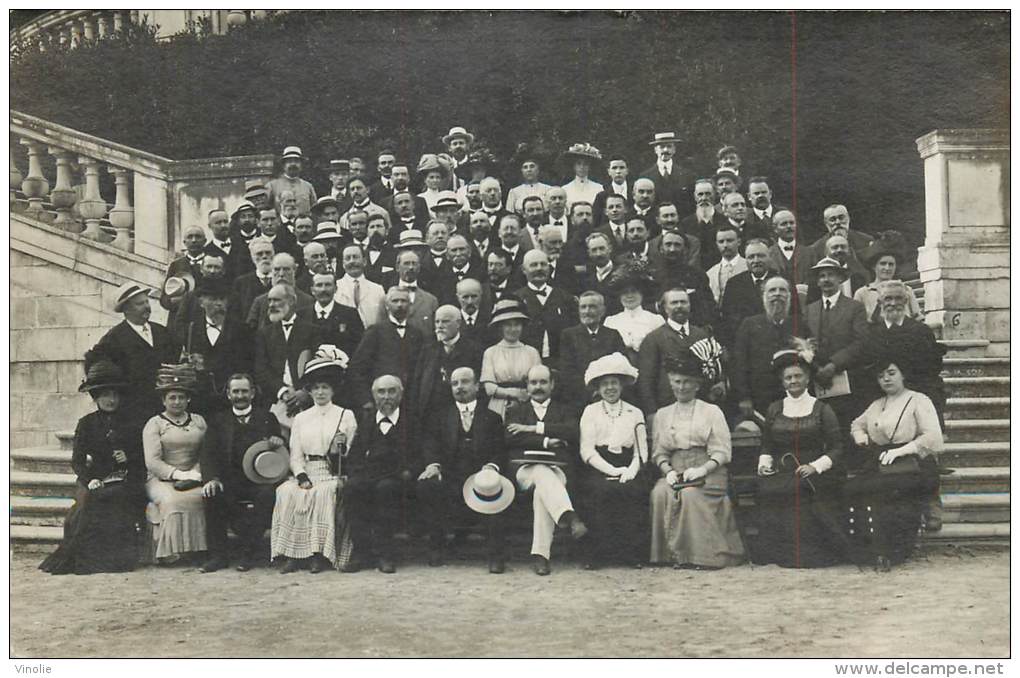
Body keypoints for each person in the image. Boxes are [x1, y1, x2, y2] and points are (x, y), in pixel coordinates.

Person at [40, 361, 147, 575]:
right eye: (105, 395)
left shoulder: (132, 423)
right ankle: (83, 557)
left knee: (115, 497)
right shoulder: (86, 423)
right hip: (94, 475)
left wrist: (128, 457)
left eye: (115, 395)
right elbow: (77, 460)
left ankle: (114, 559)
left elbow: (144, 457)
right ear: (96, 397)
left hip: (124, 477)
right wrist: (89, 478)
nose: (111, 400)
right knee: (86, 501)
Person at [846, 358, 944, 570]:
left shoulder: (918, 400)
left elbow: (932, 437)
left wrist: (901, 451)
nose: (886, 379)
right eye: (881, 376)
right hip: (880, 460)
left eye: (891, 373)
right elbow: (856, 423)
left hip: (911, 460)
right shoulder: (877, 405)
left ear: (903, 374)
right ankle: (871, 549)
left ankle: (893, 550)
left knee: (892, 491)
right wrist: (860, 435)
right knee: (858, 489)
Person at [648, 353, 744, 568]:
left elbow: (721, 452)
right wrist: (668, 471)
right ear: (671, 382)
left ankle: (701, 556)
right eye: (677, 381)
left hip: (708, 472)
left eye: (687, 382)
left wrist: (702, 470)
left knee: (690, 494)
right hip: (676, 469)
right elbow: (659, 452)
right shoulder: (662, 415)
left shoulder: (711, 412)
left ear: (697, 385)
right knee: (660, 492)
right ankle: (666, 555)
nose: (681, 387)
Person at [754, 349, 849, 568]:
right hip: (783, 469)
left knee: (799, 491)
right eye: (788, 377)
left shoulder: (822, 409)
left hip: (813, 472)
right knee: (767, 489)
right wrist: (764, 464)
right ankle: (777, 552)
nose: (793, 381)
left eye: (798, 376)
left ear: (807, 378)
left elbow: (837, 447)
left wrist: (815, 467)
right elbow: (767, 443)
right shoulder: (775, 409)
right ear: (782, 381)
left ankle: (809, 554)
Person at [417, 367, 510, 572]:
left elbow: (499, 449)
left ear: (477, 386)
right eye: (455, 383)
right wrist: (433, 465)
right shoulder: (440, 416)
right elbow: (430, 444)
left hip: (481, 477)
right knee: (428, 486)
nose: (460, 387)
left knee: (497, 488)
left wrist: (491, 467)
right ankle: (436, 548)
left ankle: (495, 556)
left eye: (465, 382)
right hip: (450, 475)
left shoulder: (492, 417)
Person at [271, 355, 358, 573]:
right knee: (287, 492)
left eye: (325, 387)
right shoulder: (301, 418)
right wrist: (301, 476)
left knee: (323, 494)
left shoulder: (345, 415)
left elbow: (351, 454)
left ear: (333, 390)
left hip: (330, 472)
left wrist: (342, 448)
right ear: (309, 391)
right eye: (316, 388)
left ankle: (318, 554)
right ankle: (292, 554)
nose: (320, 392)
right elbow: (295, 455)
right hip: (307, 471)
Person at [505, 365, 588, 576]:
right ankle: (569, 516)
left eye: (543, 382)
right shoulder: (516, 410)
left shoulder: (565, 410)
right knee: (541, 472)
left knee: (542, 489)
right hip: (524, 470)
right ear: (527, 386)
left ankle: (540, 556)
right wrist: (547, 440)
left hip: (557, 469)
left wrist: (534, 429)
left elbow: (571, 431)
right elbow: (511, 437)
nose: (538, 387)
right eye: (533, 383)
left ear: (552, 384)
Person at [199, 373, 285, 572]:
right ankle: (218, 556)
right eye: (235, 391)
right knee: (212, 494)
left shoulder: (267, 417)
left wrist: (277, 441)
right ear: (228, 394)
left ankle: (249, 553)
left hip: (260, 480)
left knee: (267, 495)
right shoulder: (218, 420)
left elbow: (280, 446)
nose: (240, 396)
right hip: (230, 479)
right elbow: (208, 454)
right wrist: (211, 479)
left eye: (244, 391)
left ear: (252, 393)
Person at [577, 353, 648, 568]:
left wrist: (630, 471)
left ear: (622, 385)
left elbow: (641, 452)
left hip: (629, 465)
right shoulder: (590, 412)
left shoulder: (635, 413)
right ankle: (597, 555)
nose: (610, 388)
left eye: (614, 383)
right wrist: (611, 470)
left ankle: (630, 555)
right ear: (598, 388)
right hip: (599, 464)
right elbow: (587, 451)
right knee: (599, 492)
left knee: (633, 491)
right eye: (605, 384)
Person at [345, 375, 420, 573]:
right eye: (381, 392)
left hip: (398, 478)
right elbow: (354, 456)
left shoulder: (410, 422)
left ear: (401, 394)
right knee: (352, 488)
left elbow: (417, 456)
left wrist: (406, 471)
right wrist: (358, 475)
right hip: (369, 476)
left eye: (391, 391)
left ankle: (385, 553)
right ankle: (362, 552)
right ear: (373, 395)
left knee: (386, 489)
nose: (386, 397)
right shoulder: (367, 422)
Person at [142, 364, 210, 564]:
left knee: (204, 497)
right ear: (163, 400)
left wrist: (196, 473)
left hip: (194, 476)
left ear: (188, 399)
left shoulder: (198, 421)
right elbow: (152, 462)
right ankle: (173, 552)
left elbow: (207, 452)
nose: (177, 402)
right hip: (161, 479)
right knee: (173, 500)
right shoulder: (154, 424)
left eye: (181, 397)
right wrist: (179, 475)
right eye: (172, 397)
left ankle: (199, 550)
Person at [88, 283, 180, 429]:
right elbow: (100, 376)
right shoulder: (113, 339)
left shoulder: (162, 332)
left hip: (165, 412)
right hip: (133, 414)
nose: (146, 307)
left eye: (146, 302)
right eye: (139, 304)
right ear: (126, 309)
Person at [731, 277, 809, 419]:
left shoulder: (800, 324)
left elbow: (810, 358)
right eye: (772, 290)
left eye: (782, 290)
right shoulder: (749, 324)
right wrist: (744, 397)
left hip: (794, 396)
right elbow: (739, 363)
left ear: (789, 296)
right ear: (764, 296)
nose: (777, 294)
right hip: (760, 399)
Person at [637, 288, 714, 416]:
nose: (679, 306)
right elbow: (646, 381)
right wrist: (651, 413)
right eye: (674, 303)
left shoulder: (702, 335)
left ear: (689, 305)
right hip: (667, 408)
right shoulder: (654, 338)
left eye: (683, 302)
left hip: (700, 408)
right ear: (665, 308)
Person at [350, 286, 426, 410]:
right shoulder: (375, 332)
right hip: (382, 401)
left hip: (410, 402)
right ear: (387, 305)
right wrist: (366, 400)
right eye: (395, 301)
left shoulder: (417, 334)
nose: (399, 305)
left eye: (403, 301)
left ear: (410, 305)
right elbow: (357, 368)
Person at [558, 291, 626, 406]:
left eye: (592, 307)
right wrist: (592, 392)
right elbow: (568, 371)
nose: (587, 311)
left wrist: (603, 391)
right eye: (583, 307)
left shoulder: (613, 335)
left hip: (610, 397)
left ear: (602, 311)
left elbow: (621, 366)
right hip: (579, 398)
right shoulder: (568, 335)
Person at [480, 298, 543, 419]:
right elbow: (489, 388)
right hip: (498, 405)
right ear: (500, 327)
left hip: (526, 403)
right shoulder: (491, 352)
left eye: (517, 325)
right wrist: (513, 394)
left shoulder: (531, 352)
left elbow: (539, 382)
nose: (513, 329)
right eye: (508, 325)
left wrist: (524, 396)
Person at [516, 249, 578, 367]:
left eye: (543, 264)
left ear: (549, 268)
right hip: (526, 363)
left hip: (560, 363)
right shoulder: (516, 299)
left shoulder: (566, 298)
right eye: (534, 265)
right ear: (524, 270)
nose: (539, 268)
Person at [604, 261, 664, 363]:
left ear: (642, 293)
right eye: (625, 292)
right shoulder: (610, 321)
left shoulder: (656, 320)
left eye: (634, 291)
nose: (629, 296)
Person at [854, 237, 921, 322]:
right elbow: (858, 322)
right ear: (874, 266)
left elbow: (917, 316)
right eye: (883, 264)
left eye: (891, 264)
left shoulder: (906, 290)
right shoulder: (863, 293)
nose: (887, 268)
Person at [640, 131, 689, 208]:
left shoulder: (686, 174)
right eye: (662, 147)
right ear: (655, 150)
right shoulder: (645, 176)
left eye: (669, 146)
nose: (665, 150)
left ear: (674, 150)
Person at [265, 146, 316, 215]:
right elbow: (265, 209)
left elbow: (314, 210)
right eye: (289, 161)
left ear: (301, 165)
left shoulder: (308, 186)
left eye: (296, 161)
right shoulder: (272, 186)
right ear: (283, 165)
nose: (293, 164)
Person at [561, 142, 604, 210]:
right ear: (574, 166)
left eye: (585, 164)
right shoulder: (565, 189)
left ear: (590, 167)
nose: (582, 167)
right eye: (579, 164)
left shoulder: (599, 188)